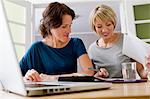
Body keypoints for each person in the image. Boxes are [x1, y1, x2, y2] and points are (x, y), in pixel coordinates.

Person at [20, 2, 95, 82]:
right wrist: (27, 76)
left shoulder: (76, 43)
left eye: (70, 25)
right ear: (51, 25)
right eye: (64, 26)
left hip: (70, 93)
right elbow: (16, 76)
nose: (69, 31)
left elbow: (89, 72)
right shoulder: (35, 48)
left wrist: (52, 78)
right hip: (43, 94)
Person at [88, 4, 148, 78]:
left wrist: (148, 69)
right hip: (103, 88)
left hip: (126, 88)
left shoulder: (126, 41)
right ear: (94, 28)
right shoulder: (92, 49)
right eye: (99, 26)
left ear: (113, 24)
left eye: (108, 25)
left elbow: (141, 71)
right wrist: (99, 75)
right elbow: (91, 76)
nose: (104, 30)